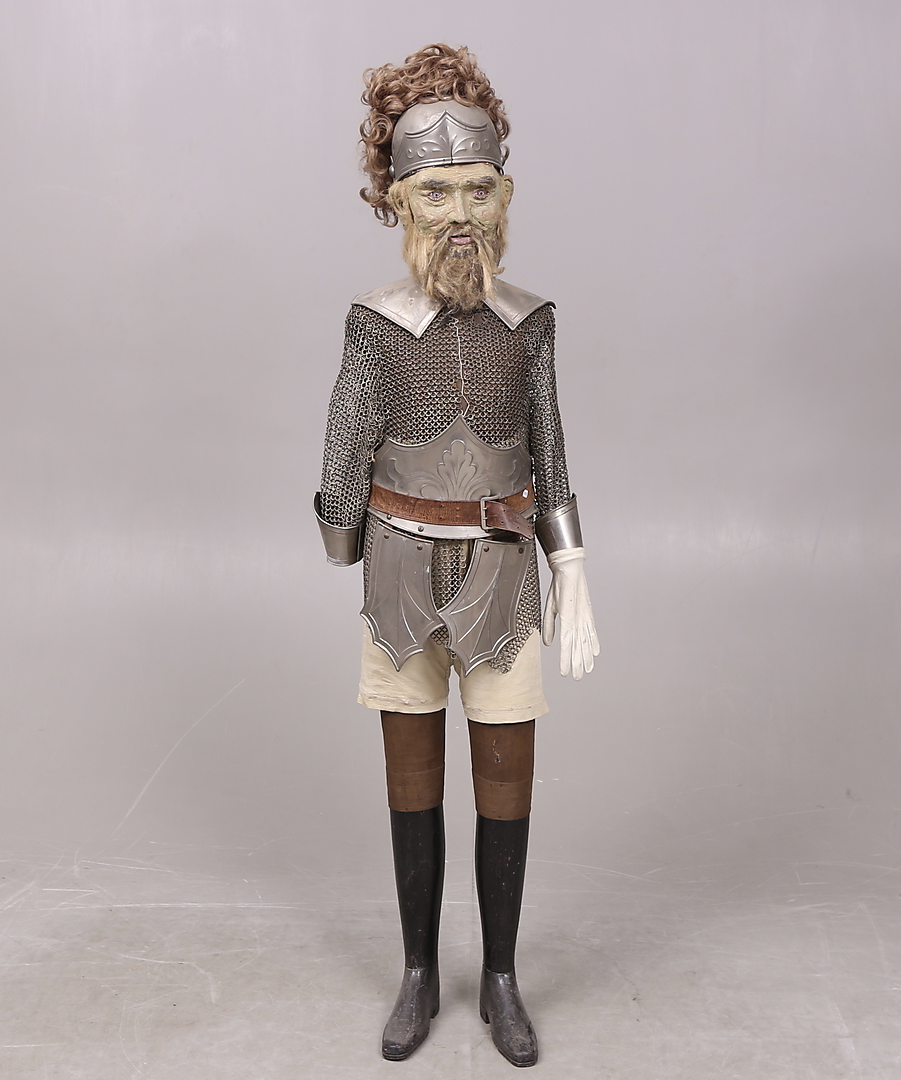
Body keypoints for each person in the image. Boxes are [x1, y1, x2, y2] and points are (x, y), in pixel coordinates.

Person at [315, 43, 598, 1067]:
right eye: (437, 192)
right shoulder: (377, 330)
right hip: (399, 578)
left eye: (479, 189)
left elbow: (550, 449)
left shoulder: (529, 326)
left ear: (504, 194)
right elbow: (344, 448)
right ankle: (420, 971)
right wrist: (343, 531)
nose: (460, 214)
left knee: (506, 777)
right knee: (414, 782)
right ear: (397, 201)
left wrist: (572, 567)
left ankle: (503, 978)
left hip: (505, 577)